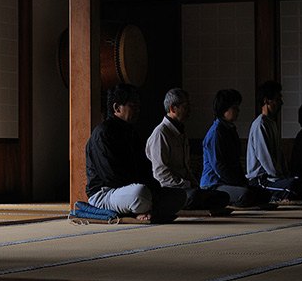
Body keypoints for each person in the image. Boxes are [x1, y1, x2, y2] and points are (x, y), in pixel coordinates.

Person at [86, 83, 186, 223]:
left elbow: (144, 167)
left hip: (132, 191)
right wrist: (145, 189)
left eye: (138, 106)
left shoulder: (131, 132)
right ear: (117, 108)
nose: (138, 110)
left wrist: (155, 189)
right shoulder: (103, 133)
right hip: (106, 193)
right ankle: (144, 210)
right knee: (139, 193)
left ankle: (144, 211)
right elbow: (112, 176)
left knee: (180, 196)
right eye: (133, 106)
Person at [146, 88, 229, 211]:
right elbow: (161, 174)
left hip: (185, 188)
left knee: (223, 197)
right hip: (169, 189)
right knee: (195, 196)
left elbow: (186, 168)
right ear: (173, 108)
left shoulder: (180, 132)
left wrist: (194, 184)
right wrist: (186, 185)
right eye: (186, 106)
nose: (189, 110)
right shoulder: (161, 133)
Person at [201, 89, 270, 208]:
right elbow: (220, 167)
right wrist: (239, 184)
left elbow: (236, 163)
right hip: (214, 184)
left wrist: (243, 182)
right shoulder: (216, 133)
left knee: (265, 194)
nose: (238, 110)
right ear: (224, 110)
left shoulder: (230, 130)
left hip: (231, 183)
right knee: (245, 195)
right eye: (234, 107)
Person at [246, 81, 302, 201]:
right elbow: (265, 158)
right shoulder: (260, 124)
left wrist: (286, 175)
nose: (281, 103)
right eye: (278, 99)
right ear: (266, 101)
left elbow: (280, 154)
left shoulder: (272, 123)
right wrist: (279, 178)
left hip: (274, 178)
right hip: (262, 180)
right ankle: (271, 196)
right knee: (294, 188)